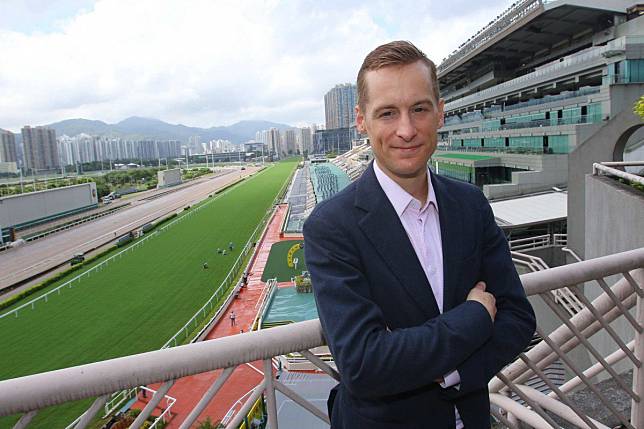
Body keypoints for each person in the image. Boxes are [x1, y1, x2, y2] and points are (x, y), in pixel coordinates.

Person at [303, 41, 535, 429]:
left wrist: (447, 369)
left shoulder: (470, 204)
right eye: (388, 113)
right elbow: (364, 364)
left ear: (440, 113)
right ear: (362, 121)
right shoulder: (330, 227)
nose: (406, 130)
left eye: (420, 109)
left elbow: (517, 318)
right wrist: (475, 316)